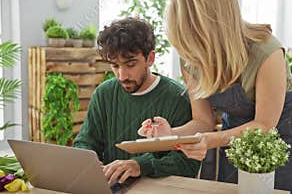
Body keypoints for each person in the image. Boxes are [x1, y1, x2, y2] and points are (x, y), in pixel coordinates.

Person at [137, 0, 292, 193]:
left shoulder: (266, 50)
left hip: (283, 134)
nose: (188, 47)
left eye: (192, 34)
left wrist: (211, 140)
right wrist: (171, 134)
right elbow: (203, 121)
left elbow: (264, 126)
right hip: (233, 138)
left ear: (215, 24)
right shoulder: (190, 58)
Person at [73, 17, 200, 185]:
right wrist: (88, 161)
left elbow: (187, 163)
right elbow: (85, 142)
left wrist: (140, 165)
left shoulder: (177, 97)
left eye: (130, 64)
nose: (122, 76)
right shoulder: (104, 93)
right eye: (115, 66)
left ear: (150, 58)